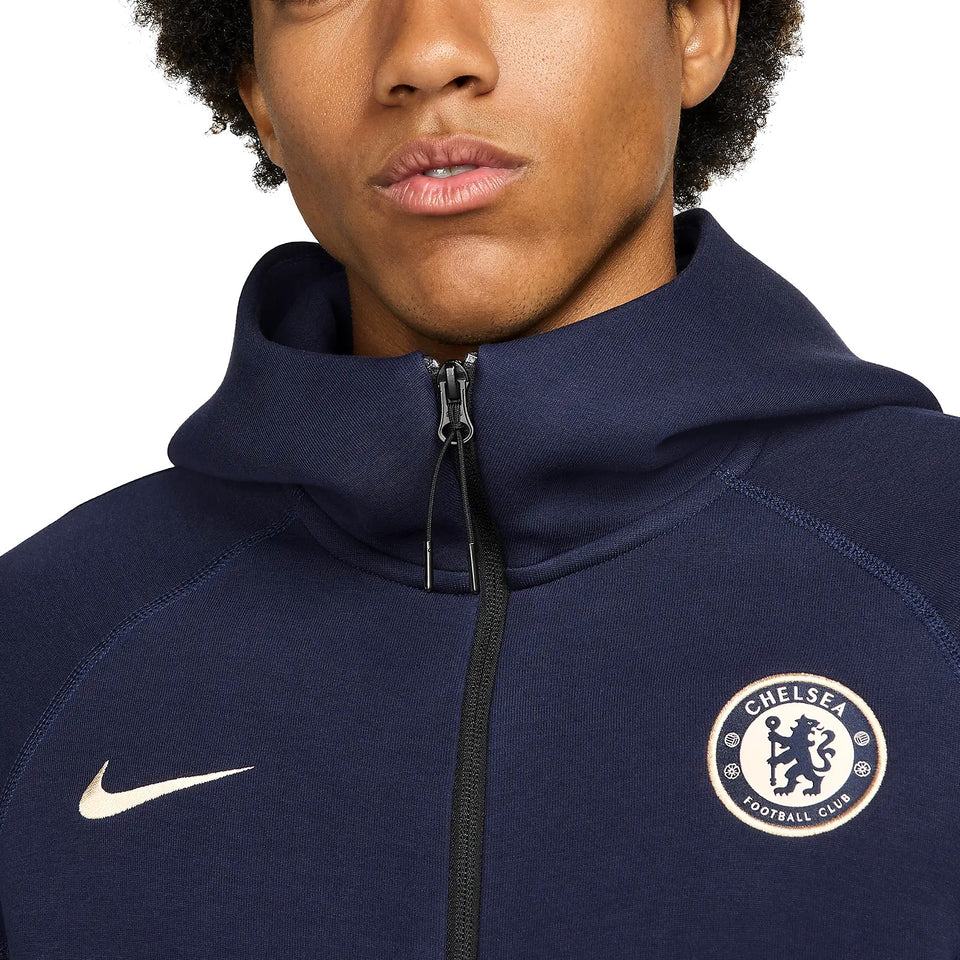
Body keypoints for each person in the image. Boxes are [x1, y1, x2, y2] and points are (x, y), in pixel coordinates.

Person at [1, 0, 958, 955]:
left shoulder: (936, 566)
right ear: (260, 95)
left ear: (695, 27)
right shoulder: (41, 652)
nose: (426, 52)